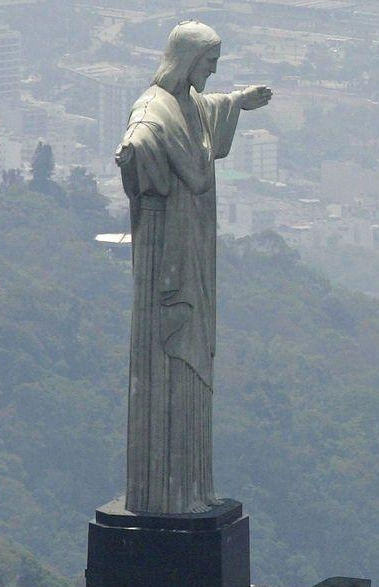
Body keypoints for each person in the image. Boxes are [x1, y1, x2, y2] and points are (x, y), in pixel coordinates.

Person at [116, 20, 272, 515]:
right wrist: (133, 151)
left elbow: (204, 109)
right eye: (208, 62)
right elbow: (141, 136)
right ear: (185, 60)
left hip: (195, 243)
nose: (213, 70)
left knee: (194, 362)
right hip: (170, 251)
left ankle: (191, 489)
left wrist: (239, 100)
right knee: (168, 360)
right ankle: (164, 494)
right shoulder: (153, 107)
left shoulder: (188, 102)